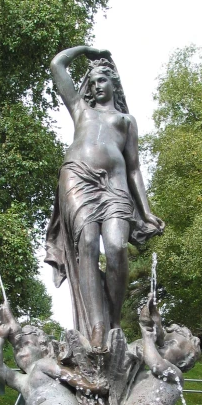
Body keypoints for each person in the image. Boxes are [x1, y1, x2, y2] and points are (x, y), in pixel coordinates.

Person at [45, 46, 164, 349]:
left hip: (115, 185)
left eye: (102, 80)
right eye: (92, 81)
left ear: (113, 84)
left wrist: (146, 211)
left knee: (115, 248)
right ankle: (97, 327)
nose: (96, 86)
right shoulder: (80, 109)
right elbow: (57, 64)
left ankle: (113, 320)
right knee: (86, 243)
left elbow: (134, 168)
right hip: (77, 178)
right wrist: (86, 50)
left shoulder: (126, 121)